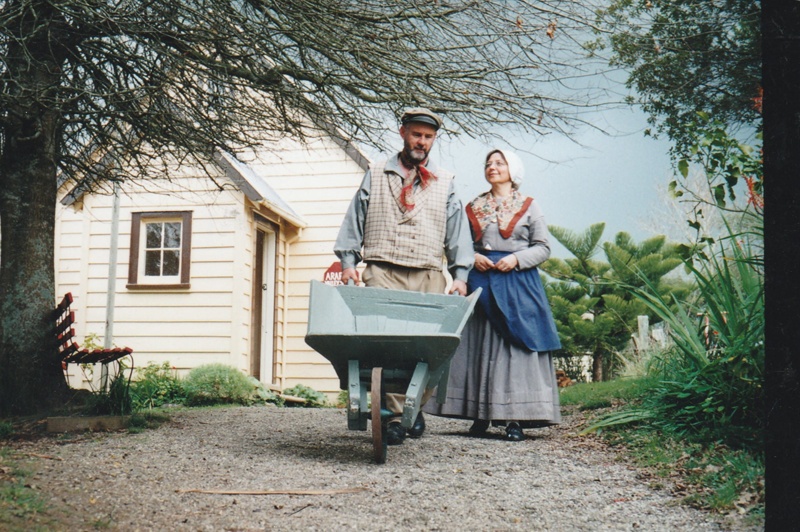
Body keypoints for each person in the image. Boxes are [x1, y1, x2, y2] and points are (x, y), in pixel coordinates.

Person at [333, 107, 474, 445]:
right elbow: (356, 216)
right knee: (382, 343)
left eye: (428, 137)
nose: (421, 142)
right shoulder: (377, 171)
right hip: (382, 269)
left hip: (427, 272)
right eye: (416, 134)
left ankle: (411, 406)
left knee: (428, 347)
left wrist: (460, 273)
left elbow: (457, 231)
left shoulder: (446, 182)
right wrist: (349, 263)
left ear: (433, 140)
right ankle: (394, 418)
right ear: (403, 133)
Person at [423, 148, 562, 441]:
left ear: (513, 170)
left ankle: (514, 417)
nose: (492, 167)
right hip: (482, 281)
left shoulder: (529, 206)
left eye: (499, 163)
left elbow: (543, 247)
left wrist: (516, 259)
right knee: (477, 346)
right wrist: (473, 257)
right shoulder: (474, 206)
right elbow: (459, 243)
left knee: (514, 348)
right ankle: (478, 415)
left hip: (518, 283)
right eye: (488, 163)